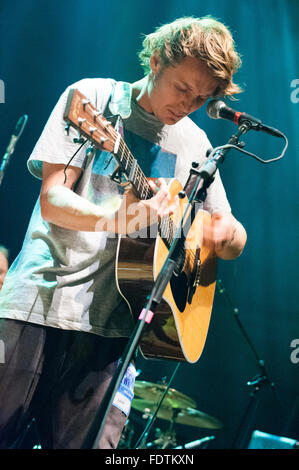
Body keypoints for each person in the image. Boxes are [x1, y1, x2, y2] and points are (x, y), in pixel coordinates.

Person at [0, 16, 247, 449]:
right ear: (155, 61)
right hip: (39, 305)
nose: (187, 104)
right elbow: (52, 201)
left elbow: (233, 238)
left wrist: (226, 236)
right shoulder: (92, 98)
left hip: (119, 332)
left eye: (201, 98)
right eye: (182, 88)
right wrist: (119, 218)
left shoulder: (197, 144)